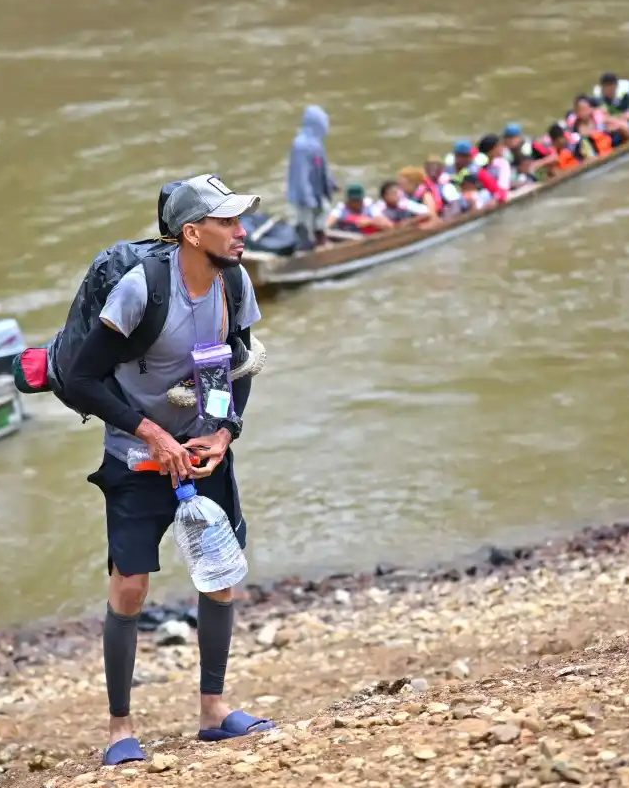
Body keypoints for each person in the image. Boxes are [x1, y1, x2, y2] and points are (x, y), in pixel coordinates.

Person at [64, 174, 274, 764]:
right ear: (191, 232)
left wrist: (225, 432)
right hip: (137, 454)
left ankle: (213, 710)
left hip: (204, 448)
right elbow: (82, 379)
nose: (242, 232)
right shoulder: (141, 288)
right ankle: (119, 728)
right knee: (130, 588)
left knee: (221, 575)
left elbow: (240, 365)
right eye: (228, 222)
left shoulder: (235, 283)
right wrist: (151, 433)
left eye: (240, 221)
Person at [285, 105, 337, 250]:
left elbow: (321, 167)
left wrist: (331, 183)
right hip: (304, 194)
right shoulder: (301, 145)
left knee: (321, 214)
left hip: (317, 191)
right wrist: (307, 196)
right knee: (304, 220)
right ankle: (304, 249)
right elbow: (301, 173)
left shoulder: (316, 144)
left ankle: (320, 240)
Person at [326, 183, 393, 234]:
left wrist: (370, 221)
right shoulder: (340, 209)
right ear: (348, 200)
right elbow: (326, 225)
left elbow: (388, 224)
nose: (358, 203)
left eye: (359, 200)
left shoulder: (369, 206)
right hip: (347, 236)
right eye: (354, 200)